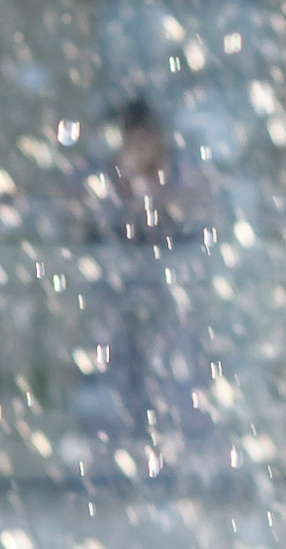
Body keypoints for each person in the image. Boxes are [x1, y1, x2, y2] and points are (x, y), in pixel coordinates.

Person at [77, 96, 204, 482]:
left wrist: (152, 200)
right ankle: (121, 455)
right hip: (117, 296)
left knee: (173, 374)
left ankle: (173, 455)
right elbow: (84, 213)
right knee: (120, 372)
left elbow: (188, 213)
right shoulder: (101, 181)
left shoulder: (181, 176)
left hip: (169, 294)